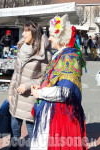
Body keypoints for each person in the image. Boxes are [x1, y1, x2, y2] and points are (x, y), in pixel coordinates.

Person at [30, 14, 87, 150]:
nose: (49, 38)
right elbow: (57, 81)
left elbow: (64, 92)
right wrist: (42, 86)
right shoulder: (62, 54)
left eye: (52, 35)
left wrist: (41, 93)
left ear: (61, 38)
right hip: (54, 113)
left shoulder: (69, 57)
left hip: (60, 116)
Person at [8, 21, 51, 150]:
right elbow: (16, 73)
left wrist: (27, 85)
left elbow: (45, 78)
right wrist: (10, 92)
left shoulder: (44, 53)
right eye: (24, 30)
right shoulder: (21, 48)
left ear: (34, 33)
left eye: (27, 31)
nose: (23, 33)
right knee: (14, 131)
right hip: (17, 97)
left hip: (31, 98)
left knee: (32, 132)